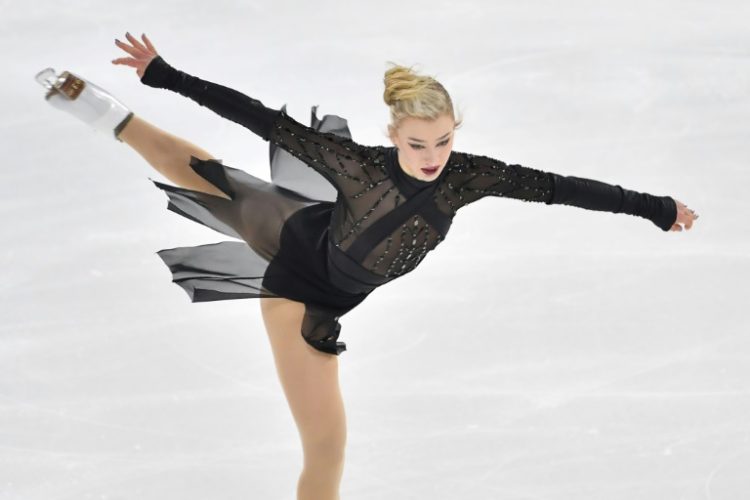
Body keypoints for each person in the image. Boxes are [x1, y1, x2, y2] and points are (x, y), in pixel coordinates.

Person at [37, 31, 699, 500]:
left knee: (221, 184)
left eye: (443, 140)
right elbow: (259, 118)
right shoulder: (354, 164)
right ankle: (106, 111)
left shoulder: (469, 177)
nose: (433, 155)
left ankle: (110, 115)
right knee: (325, 447)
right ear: (392, 138)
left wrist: (654, 206)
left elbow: (560, 187)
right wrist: (165, 74)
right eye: (417, 144)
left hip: (320, 243)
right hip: (301, 287)